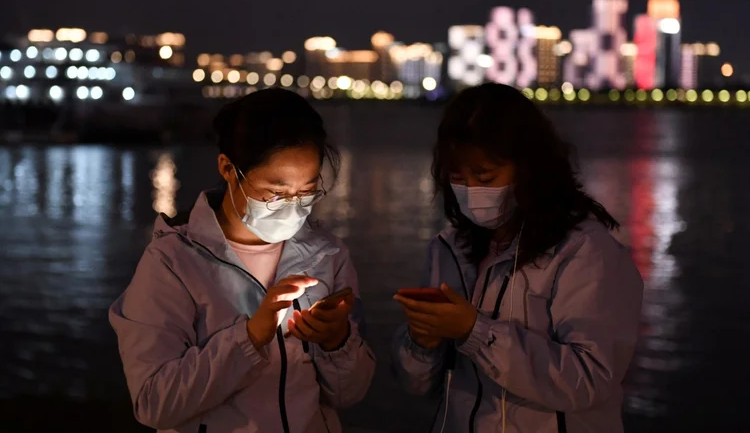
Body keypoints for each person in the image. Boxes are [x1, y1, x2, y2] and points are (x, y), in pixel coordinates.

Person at [110, 89, 375, 433]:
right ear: (228, 169)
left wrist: (337, 341)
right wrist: (249, 339)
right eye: (276, 192)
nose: (293, 205)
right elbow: (153, 404)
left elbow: (349, 394)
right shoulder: (173, 262)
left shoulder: (327, 255)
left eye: (307, 191)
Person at [391, 83, 643, 433]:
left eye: (485, 176)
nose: (471, 190)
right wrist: (422, 341)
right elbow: (419, 386)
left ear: (529, 167)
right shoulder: (449, 248)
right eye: (457, 177)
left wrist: (474, 331)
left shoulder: (584, 253)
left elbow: (589, 380)